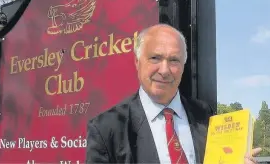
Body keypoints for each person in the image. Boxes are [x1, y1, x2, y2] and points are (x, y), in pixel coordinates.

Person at [85, 24, 261, 164]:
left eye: (174, 60)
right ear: (137, 62)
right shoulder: (106, 128)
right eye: (155, 58)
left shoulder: (204, 115)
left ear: (183, 66)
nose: (164, 70)